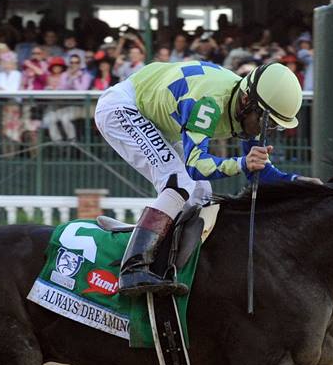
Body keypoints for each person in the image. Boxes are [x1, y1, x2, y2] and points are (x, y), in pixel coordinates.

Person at [94, 60, 317, 296]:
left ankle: (169, 261)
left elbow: (260, 174)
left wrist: (299, 184)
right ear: (246, 101)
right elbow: (195, 166)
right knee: (179, 182)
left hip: (156, 119)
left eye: (274, 126)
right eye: (266, 121)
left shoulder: (246, 105)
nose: (266, 131)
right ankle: (133, 268)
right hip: (123, 107)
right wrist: (241, 163)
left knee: (201, 193)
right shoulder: (208, 104)